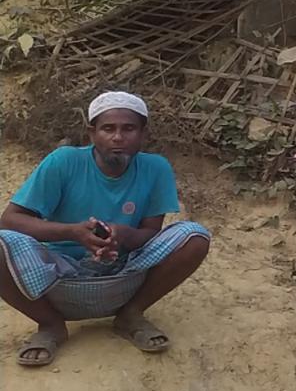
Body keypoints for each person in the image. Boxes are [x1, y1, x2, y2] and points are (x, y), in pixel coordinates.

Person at [0, 92, 211, 367]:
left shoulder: (155, 168)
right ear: (92, 133)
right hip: (58, 270)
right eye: (108, 129)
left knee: (195, 237)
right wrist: (73, 232)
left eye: (129, 129)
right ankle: (50, 324)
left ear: (143, 134)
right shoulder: (63, 161)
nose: (118, 137)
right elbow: (10, 220)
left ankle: (130, 315)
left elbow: (150, 234)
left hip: (124, 268)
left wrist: (122, 235)